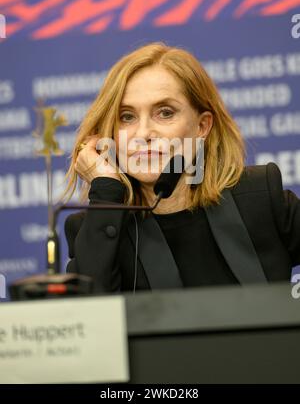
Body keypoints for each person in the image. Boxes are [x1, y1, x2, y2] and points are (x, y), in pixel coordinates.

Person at [64, 42, 300, 293]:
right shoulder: (99, 229)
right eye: (127, 117)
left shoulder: (260, 198)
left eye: (164, 113)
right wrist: (105, 189)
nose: (143, 133)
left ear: (202, 126)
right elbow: (89, 323)